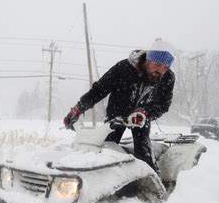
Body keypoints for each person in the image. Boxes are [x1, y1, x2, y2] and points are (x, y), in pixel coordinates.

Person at [63, 39, 175, 175]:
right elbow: (99, 90)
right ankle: (104, 179)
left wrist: (146, 113)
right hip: (116, 115)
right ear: (148, 59)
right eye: (157, 65)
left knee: (143, 153)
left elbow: (164, 104)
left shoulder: (167, 77)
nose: (161, 71)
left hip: (141, 118)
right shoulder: (123, 68)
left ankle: (152, 183)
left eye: (165, 67)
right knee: (106, 151)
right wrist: (78, 109)